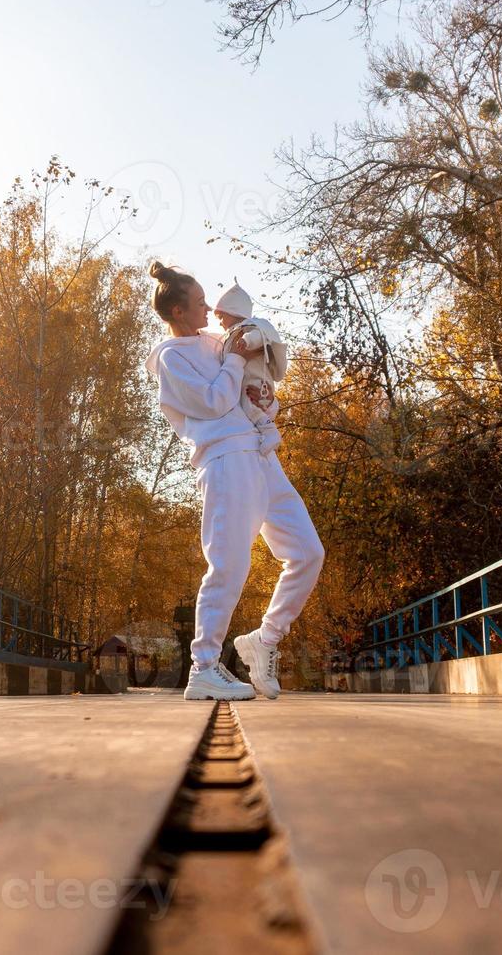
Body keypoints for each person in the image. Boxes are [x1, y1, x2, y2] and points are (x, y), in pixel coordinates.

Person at [142, 261, 325, 701]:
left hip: (261, 453)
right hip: (225, 458)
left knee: (307, 553)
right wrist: (238, 362)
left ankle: (263, 640)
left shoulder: (212, 341)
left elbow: (249, 387)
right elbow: (214, 400)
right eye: (200, 303)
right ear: (177, 312)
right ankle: (204, 667)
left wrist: (265, 395)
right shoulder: (172, 358)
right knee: (229, 564)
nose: (210, 308)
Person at [211, 279, 288, 454]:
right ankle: (267, 431)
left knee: (251, 402)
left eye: (222, 316)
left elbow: (259, 336)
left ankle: (269, 431)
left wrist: (247, 341)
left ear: (234, 312)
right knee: (249, 402)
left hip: (254, 376)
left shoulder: (248, 327)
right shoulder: (225, 337)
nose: (220, 322)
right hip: (245, 381)